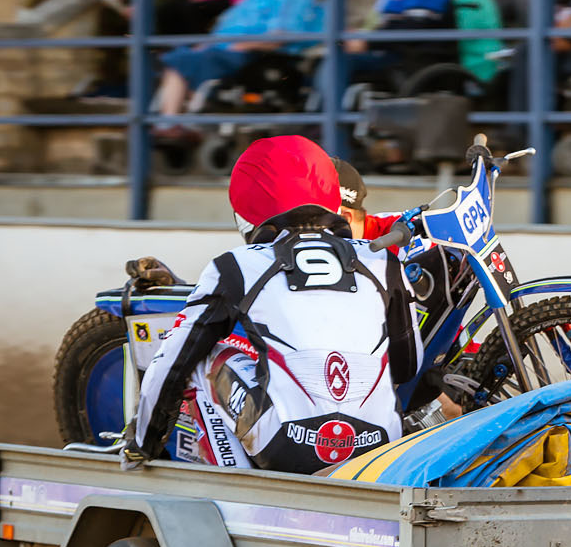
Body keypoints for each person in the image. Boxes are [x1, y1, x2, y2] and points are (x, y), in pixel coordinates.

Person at [132, 135, 418, 475]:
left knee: (200, 356)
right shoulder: (382, 261)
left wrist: (141, 444)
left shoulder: (234, 265)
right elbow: (406, 366)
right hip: (377, 449)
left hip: (288, 446)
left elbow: (169, 364)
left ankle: (235, 488)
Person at [151, 0, 326, 116]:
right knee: (178, 57)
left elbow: (282, 34)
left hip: (261, 56)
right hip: (230, 51)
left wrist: (245, 44)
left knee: (181, 59)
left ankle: (173, 122)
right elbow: (228, 25)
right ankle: (175, 122)